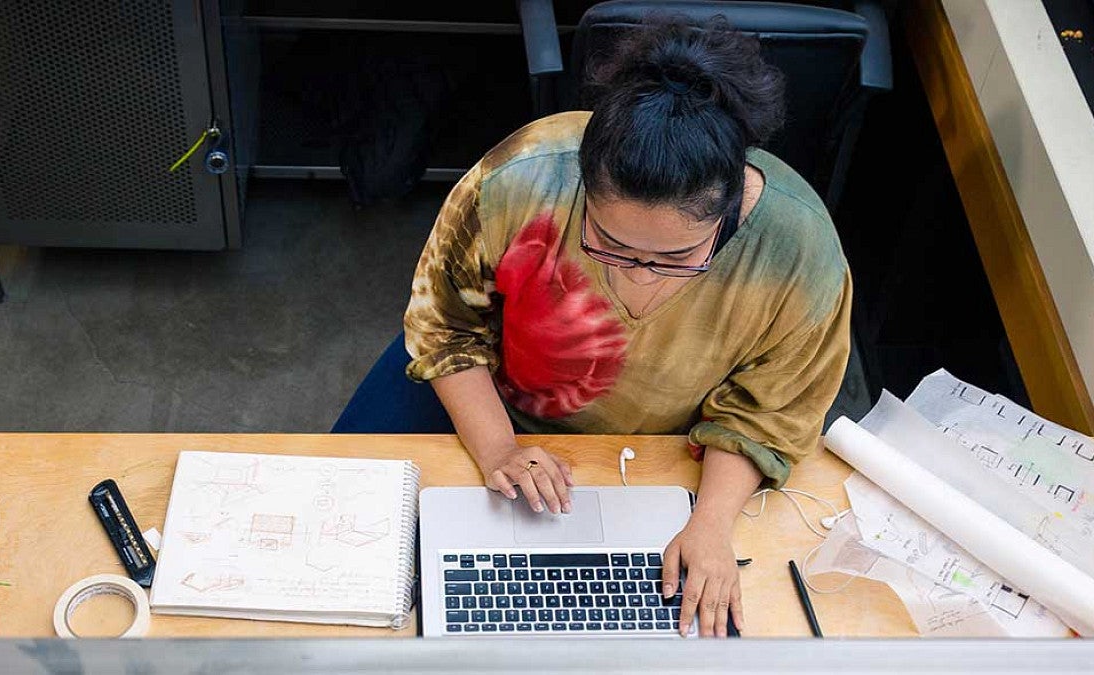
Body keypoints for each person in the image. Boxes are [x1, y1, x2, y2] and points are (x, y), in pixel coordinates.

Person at [336, 15, 851, 638]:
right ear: (582, 182)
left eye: (677, 258)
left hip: (668, 440)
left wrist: (710, 524)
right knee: (342, 545)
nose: (638, 279)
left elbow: (770, 413)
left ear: (731, 208)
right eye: (609, 245)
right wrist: (499, 448)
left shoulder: (800, 253)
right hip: (484, 390)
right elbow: (445, 325)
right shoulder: (519, 178)